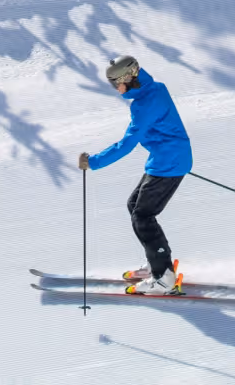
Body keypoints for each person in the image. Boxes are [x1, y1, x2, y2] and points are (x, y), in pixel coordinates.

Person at [77, 55, 192, 295]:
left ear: (130, 77)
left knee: (143, 215)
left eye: (116, 82)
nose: (116, 88)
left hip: (169, 162)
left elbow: (127, 145)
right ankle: (156, 263)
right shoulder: (153, 90)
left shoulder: (145, 104)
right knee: (135, 206)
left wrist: (93, 162)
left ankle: (164, 278)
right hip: (166, 159)